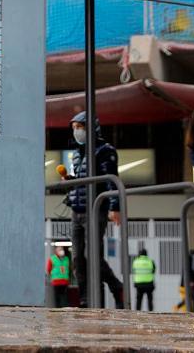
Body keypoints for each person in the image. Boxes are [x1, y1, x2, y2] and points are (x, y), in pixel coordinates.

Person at [60, 111, 125, 309]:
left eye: (79, 127)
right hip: (77, 210)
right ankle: (85, 300)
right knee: (79, 258)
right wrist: (70, 182)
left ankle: (115, 287)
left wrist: (115, 207)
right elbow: (82, 180)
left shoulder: (105, 150)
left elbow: (110, 179)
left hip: (95, 209)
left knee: (91, 256)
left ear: (91, 129)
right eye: (74, 128)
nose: (76, 132)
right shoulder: (78, 154)